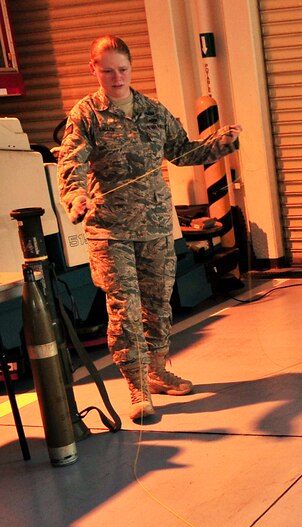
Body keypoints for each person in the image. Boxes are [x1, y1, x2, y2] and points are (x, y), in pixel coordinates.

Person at [58, 35, 242, 422]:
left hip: (156, 226)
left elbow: (183, 152)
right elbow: (71, 166)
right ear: (94, 70)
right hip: (110, 231)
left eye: (122, 69)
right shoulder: (86, 114)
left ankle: (157, 371)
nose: (116, 77)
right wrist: (75, 197)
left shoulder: (153, 111)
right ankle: (138, 387)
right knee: (125, 309)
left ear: (131, 68)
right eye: (107, 70)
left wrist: (223, 142)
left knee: (158, 305)